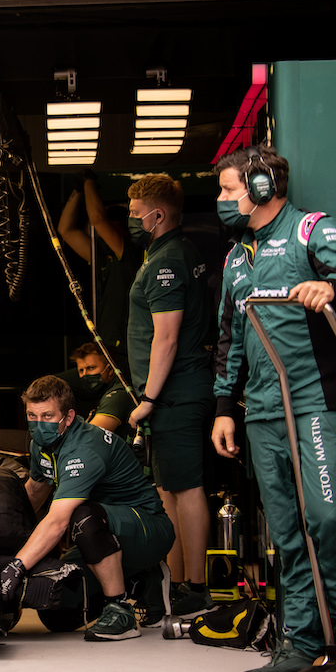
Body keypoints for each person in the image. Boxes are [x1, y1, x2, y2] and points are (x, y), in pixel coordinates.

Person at [211, 146, 336, 672]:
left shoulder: (313, 230)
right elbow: (228, 339)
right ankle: (302, 642)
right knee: (284, 533)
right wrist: (223, 407)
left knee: (326, 520)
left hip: (313, 403)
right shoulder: (236, 258)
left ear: (261, 187)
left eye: (227, 188)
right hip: (261, 412)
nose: (220, 200)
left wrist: (328, 284)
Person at [0, 376, 174, 641]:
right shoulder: (41, 444)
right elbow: (35, 492)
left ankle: (121, 609)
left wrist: (16, 566)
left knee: (83, 516)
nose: (38, 423)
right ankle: (140, 581)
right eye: (32, 415)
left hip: (147, 528)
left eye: (47, 415)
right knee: (57, 610)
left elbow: (58, 521)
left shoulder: (85, 447)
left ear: (68, 417)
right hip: (102, 534)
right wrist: (4, 541)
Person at [124, 173, 215, 619]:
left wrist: (149, 399)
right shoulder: (171, 252)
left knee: (186, 487)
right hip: (174, 393)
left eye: (135, 213)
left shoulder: (167, 260)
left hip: (176, 393)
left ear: (157, 215)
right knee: (168, 491)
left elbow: (166, 338)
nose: (131, 219)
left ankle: (196, 586)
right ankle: (176, 584)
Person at [57, 169, 144, 379]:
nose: (103, 239)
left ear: (124, 232)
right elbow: (65, 230)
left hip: (124, 351)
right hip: (104, 349)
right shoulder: (104, 259)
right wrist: (78, 189)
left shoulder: (131, 256)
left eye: (109, 233)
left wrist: (88, 180)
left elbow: (98, 220)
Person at [69, 342, 139, 442]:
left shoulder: (117, 395)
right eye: (81, 370)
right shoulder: (103, 394)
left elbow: (89, 438)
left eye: (91, 368)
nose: (85, 375)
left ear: (110, 369)